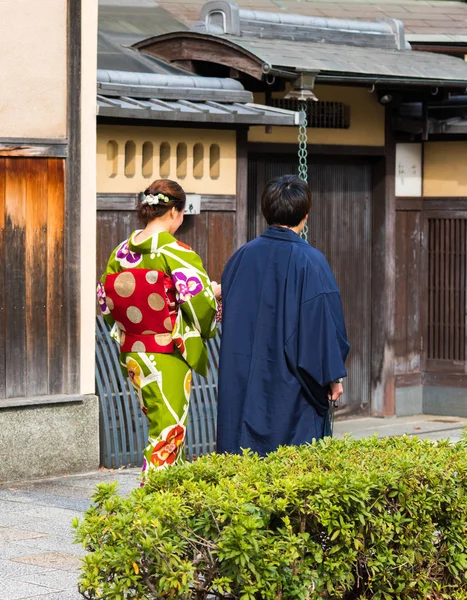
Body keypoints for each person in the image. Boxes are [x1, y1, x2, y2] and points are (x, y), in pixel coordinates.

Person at [217, 174, 350, 456]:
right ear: (306, 214)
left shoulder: (240, 257)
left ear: (265, 211)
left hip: (243, 382)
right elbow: (322, 326)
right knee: (292, 471)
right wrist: (332, 377)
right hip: (291, 389)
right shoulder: (310, 261)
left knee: (242, 469)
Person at [97, 179, 220, 477]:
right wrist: (212, 295)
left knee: (160, 425)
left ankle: (163, 501)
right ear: (175, 212)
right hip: (168, 353)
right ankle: (151, 507)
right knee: (168, 431)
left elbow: (106, 303)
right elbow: (197, 304)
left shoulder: (121, 252)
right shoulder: (176, 252)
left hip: (134, 354)